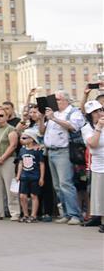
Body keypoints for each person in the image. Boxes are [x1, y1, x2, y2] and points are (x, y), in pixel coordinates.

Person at [38, 91, 85, 225]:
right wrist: (42, 118)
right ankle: (66, 213)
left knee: (66, 184)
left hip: (63, 151)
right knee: (58, 186)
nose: (55, 102)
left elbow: (73, 127)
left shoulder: (73, 112)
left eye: (57, 99)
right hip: (51, 151)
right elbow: (42, 131)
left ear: (66, 100)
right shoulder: (54, 113)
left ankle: (75, 214)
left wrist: (53, 118)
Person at [80, 100, 104, 231]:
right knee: (100, 195)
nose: (99, 113)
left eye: (100, 110)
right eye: (95, 112)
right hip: (99, 166)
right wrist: (99, 128)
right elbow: (93, 144)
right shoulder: (87, 128)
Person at [15, 129, 45, 223]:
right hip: (24, 175)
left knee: (34, 195)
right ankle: (25, 214)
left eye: (24, 138)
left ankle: (33, 215)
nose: (22, 140)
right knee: (22, 196)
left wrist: (41, 177)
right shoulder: (22, 150)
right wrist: (18, 175)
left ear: (31, 139)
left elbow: (41, 164)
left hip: (34, 176)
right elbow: (20, 163)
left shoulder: (37, 151)